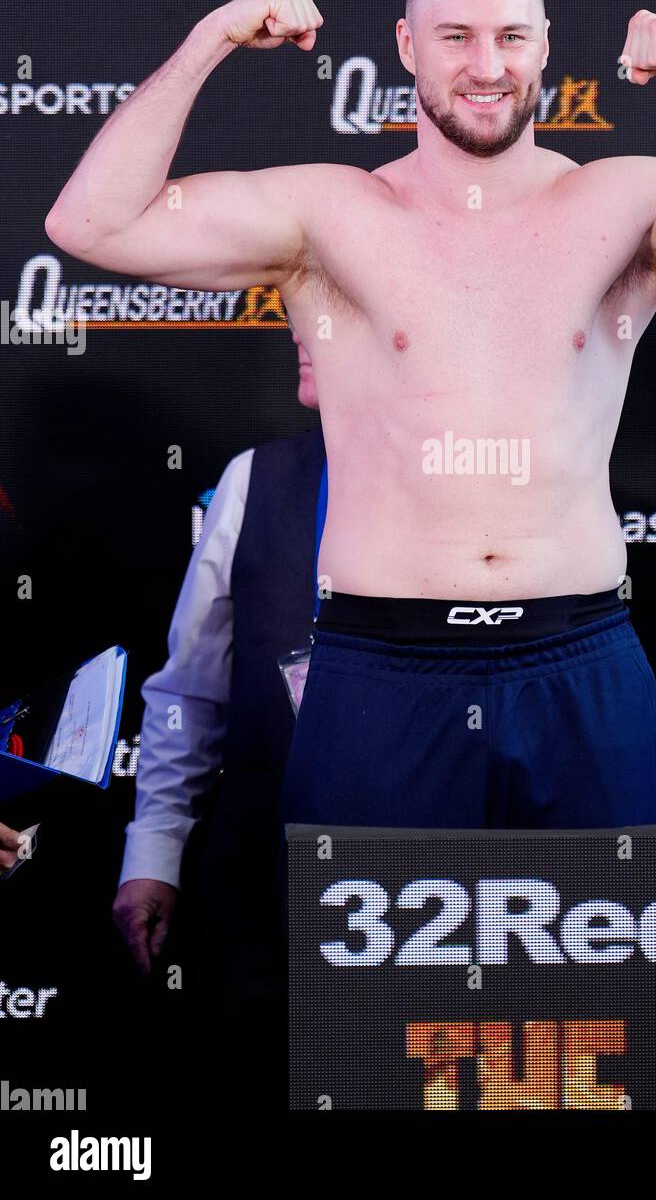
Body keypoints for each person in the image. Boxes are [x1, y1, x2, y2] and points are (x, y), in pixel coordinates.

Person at [45, 0, 656, 839]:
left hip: (578, 662)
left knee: (591, 983)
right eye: (453, 36)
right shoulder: (326, 215)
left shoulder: (624, 206)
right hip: (381, 670)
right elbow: (92, 224)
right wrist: (214, 33)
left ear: (544, 45)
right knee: (376, 988)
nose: (485, 65)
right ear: (408, 48)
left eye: (510, 37)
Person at [111, 321, 326, 1104]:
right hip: (257, 887)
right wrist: (155, 852)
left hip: (423, 887)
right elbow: (189, 692)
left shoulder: (500, 487)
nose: (306, 328)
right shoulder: (255, 480)